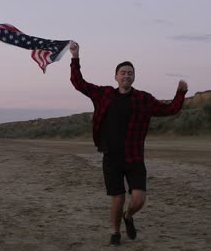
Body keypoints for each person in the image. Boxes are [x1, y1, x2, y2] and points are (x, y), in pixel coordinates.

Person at [68, 41, 188, 245]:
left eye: (130, 73)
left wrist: (180, 93)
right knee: (118, 198)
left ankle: (129, 216)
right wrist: (75, 57)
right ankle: (115, 232)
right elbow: (79, 83)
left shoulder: (143, 99)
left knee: (138, 199)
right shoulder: (104, 95)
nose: (126, 76)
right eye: (123, 72)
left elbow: (169, 110)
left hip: (134, 157)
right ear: (116, 76)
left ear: (134, 77)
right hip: (111, 157)